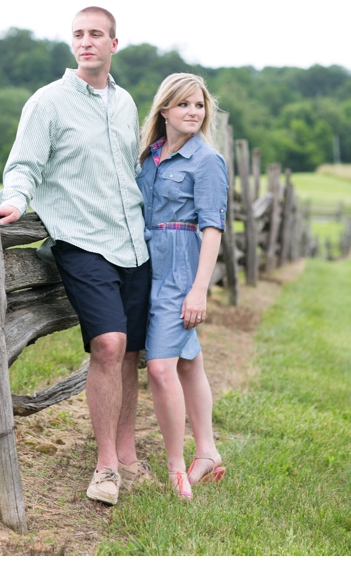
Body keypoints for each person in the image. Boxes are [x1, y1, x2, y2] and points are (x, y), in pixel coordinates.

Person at [0, 7, 152, 506]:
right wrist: (15, 200)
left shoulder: (125, 103)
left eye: (96, 35)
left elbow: (131, 169)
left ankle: (128, 455)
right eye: (79, 35)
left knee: (129, 350)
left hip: (133, 242)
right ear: (73, 43)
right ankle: (105, 465)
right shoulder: (49, 102)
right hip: (81, 240)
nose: (87, 42)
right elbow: (24, 164)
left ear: (113, 43)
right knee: (107, 345)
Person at [136, 73, 228, 500]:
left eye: (200, 105)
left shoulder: (206, 160)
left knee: (160, 368)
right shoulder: (148, 156)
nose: (194, 112)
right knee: (188, 363)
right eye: (185, 105)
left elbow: (213, 228)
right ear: (164, 110)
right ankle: (207, 452)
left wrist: (199, 289)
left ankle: (175, 467)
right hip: (146, 263)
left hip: (180, 268)